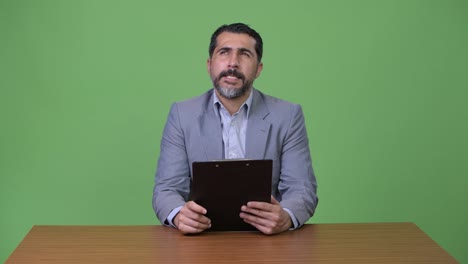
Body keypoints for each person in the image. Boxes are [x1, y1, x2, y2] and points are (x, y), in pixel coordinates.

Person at [152, 23, 318, 235]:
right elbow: (166, 189)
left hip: (268, 241)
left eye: (244, 54)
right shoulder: (182, 114)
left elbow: (302, 188)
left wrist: (286, 216)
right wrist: (178, 214)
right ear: (210, 64)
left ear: (258, 68)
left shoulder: (287, 115)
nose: (233, 63)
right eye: (224, 53)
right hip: (200, 241)